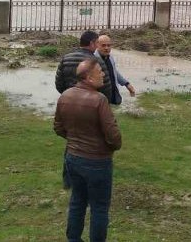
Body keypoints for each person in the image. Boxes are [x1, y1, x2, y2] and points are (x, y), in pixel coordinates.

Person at [53, 58, 123, 242]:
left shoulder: (65, 95)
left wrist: (75, 140)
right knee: (99, 208)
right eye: (99, 71)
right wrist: (106, 147)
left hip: (73, 158)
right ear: (88, 77)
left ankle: (73, 238)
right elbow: (114, 137)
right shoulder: (99, 100)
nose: (103, 74)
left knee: (77, 201)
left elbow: (58, 128)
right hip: (97, 162)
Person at [56, 30, 115, 100]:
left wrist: (69, 95)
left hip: (70, 100)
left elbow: (59, 84)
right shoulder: (98, 61)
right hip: (92, 102)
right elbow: (106, 88)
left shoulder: (65, 59)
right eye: (96, 43)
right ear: (92, 43)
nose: (97, 46)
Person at [95, 34, 136, 105]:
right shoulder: (93, 59)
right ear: (97, 45)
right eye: (103, 45)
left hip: (113, 92)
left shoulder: (110, 57)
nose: (106, 48)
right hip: (101, 95)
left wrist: (127, 84)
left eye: (109, 45)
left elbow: (114, 72)